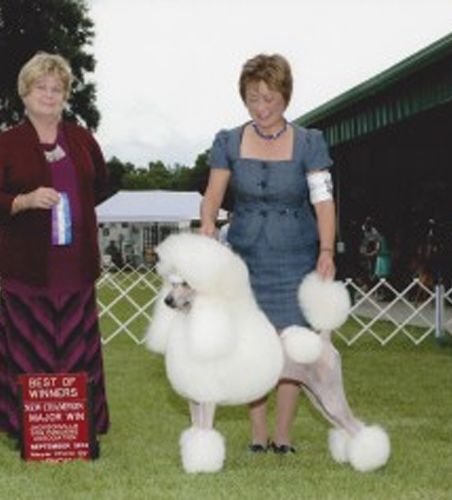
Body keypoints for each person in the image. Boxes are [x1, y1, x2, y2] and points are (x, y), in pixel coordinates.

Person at [200, 53, 336, 455]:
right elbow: (213, 195)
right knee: (250, 343)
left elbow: (324, 203)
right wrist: (208, 222)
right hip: (244, 257)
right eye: (253, 99)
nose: (261, 108)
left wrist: (326, 250)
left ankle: (284, 436)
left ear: (285, 97)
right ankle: (257, 435)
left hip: (296, 256)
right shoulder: (228, 140)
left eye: (269, 99)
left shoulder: (310, 141)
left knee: (292, 346)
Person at [0, 52, 110, 440]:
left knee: (77, 342)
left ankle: (78, 425)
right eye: (41, 87)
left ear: (66, 95)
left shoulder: (82, 138)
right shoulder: (7, 142)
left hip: (76, 264)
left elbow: (102, 183)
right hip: (27, 266)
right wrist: (24, 201)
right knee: (26, 344)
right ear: (25, 92)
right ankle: (27, 427)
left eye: (57, 88)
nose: (49, 95)